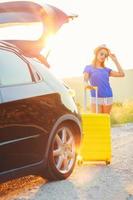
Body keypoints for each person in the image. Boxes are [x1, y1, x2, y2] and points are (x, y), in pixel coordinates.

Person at [83, 44, 125, 114]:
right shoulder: (88, 67)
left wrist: (115, 60)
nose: (103, 57)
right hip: (95, 97)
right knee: (97, 121)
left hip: (108, 97)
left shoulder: (106, 70)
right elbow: (85, 80)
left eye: (105, 55)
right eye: (101, 54)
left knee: (105, 119)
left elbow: (122, 74)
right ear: (96, 54)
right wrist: (87, 85)